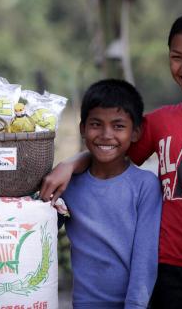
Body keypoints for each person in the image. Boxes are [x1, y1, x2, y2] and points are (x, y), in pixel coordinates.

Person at [40, 11, 182, 308]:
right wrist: (70, 165)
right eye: (176, 57)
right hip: (170, 268)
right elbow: (110, 151)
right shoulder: (162, 121)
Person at [58, 79, 161, 308]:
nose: (106, 134)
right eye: (96, 124)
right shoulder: (68, 185)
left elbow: (145, 260)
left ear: (135, 132)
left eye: (118, 126)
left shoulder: (146, 186)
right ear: (82, 128)